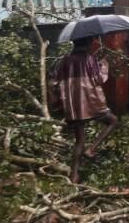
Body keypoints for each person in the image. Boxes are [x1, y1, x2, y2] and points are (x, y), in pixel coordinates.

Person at [50, 36, 119, 184]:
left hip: (74, 107)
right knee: (113, 121)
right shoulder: (90, 59)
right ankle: (92, 149)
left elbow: (54, 83)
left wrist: (58, 103)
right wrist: (104, 64)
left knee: (79, 140)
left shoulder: (64, 60)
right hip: (92, 103)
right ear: (87, 43)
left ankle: (74, 176)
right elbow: (99, 79)